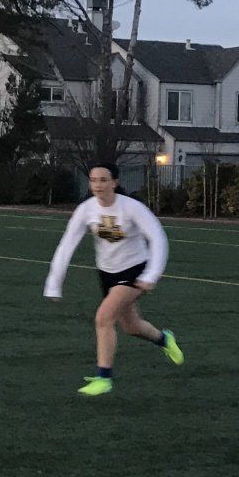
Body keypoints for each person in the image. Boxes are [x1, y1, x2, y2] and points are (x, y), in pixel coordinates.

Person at [43, 161, 184, 396]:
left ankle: (104, 378)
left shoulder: (131, 208)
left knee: (103, 318)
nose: (97, 185)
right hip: (107, 273)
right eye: (93, 180)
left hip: (135, 271)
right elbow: (67, 245)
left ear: (114, 183)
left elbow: (158, 238)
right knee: (131, 326)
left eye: (103, 180)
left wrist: (152, 274)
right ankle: (164, 339)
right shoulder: (86, 210)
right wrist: (54, 283)